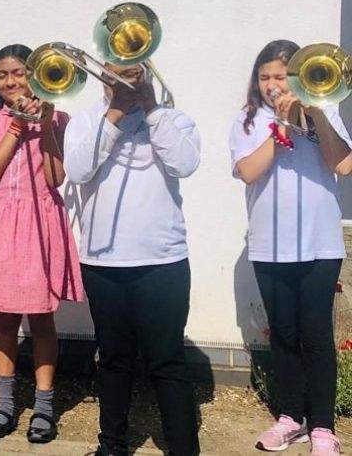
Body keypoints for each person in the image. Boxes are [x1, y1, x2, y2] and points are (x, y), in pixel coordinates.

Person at [63, 63, 201, 456]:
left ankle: (183, 449)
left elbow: (184, 164)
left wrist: (152, 111)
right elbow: (76, 169)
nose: (122, 80)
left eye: (130, 72)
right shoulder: (87, 120)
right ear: (101, 75)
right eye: (112, 72)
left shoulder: (172, 117)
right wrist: (115, 116)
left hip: (163, 261)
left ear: (146, 71)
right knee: (113, 359)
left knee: (168, 361)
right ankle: (112, 446)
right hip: (103, 263)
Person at [230, 40, 352, 455]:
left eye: (279, 77)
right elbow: (247, 172)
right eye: (264, 77)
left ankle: (322, 428)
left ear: (297, 77)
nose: (271, 85)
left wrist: (313, 113)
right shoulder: (248, 121)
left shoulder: (326, 110)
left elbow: (343, 164)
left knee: (316, 336)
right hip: (269, 246)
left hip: (320, 244)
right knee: (282, 336)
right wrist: (277, 131)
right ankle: (289, 419)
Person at [0, 45, 83, 443]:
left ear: (33, 75)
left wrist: (47, 125)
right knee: (4, 318)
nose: (11, 82)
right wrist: (17, 128)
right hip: (2, 222)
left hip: (39, 223)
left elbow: (55, 178)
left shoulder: (60, 117)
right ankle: (4, 404)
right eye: (3, 75)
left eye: (18, 73)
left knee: (41, 318)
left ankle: (45, 407)